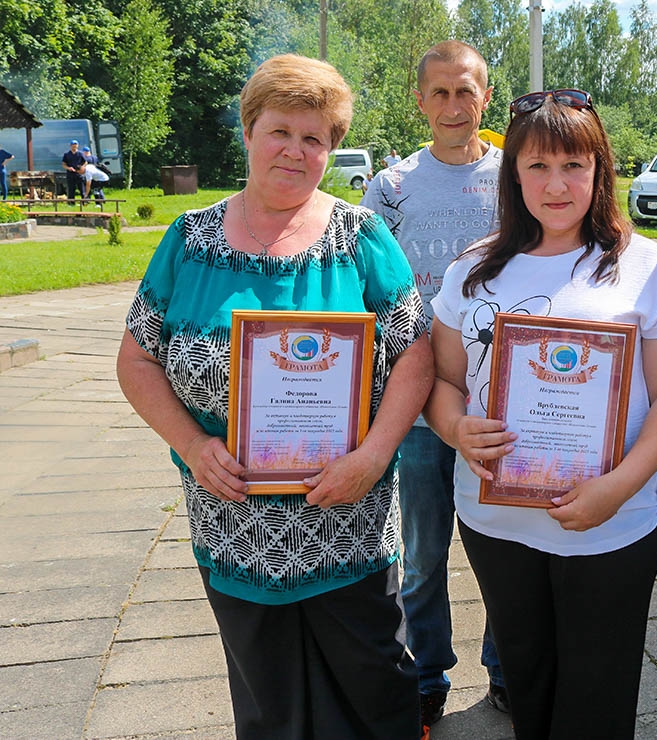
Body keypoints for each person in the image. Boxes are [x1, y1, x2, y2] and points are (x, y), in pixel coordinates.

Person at [115, 53, 432, 739]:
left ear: (331, 149)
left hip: (347, 517)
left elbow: (416, 354)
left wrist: (375, 454)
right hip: (232, 522)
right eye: (280, 131)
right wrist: (191, 443)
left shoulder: (361, 237)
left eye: (313, 137)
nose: (295, 149)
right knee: (270, 704)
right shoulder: (189, 239)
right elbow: (137, 358)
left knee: (375, 690)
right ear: (248, 130)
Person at [423, 88, 657, 739]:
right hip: (496, 523)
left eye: (574, 165)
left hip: (613, 524)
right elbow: (442, 381)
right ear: (513, 174)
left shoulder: (643, 267)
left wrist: (618, 487)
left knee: (597, 701)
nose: (556, 184)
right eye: (538, 166)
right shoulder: (471, 271)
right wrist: (456, 428)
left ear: (600, 171)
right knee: (529, 689)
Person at [359, 39, 506, 725]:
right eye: (440, 92)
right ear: (420, 101)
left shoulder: (516, 178)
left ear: (486, 96)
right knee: (421, 552)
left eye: (465, 90)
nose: (453, 105)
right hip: (417, 405)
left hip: (504, 400)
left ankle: (505, 669)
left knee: (506, 546)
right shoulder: (389, 188)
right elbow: (368, 291)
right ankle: (426, 673)